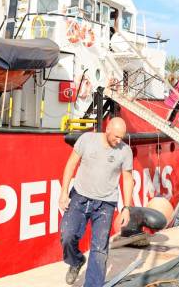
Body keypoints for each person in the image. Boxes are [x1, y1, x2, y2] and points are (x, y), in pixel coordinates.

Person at [59, 117, 134, 286]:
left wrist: (126, 208)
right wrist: (64, 193)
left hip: (105, 204)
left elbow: (128, 179)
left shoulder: (125, 151)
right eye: (116, 136)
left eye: (122, 137)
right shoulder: (87, 139)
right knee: (67, 235)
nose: (119, 140)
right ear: (107, 129)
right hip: (80, 197)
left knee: (99, 250)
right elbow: (71, 164)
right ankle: (76, 261)